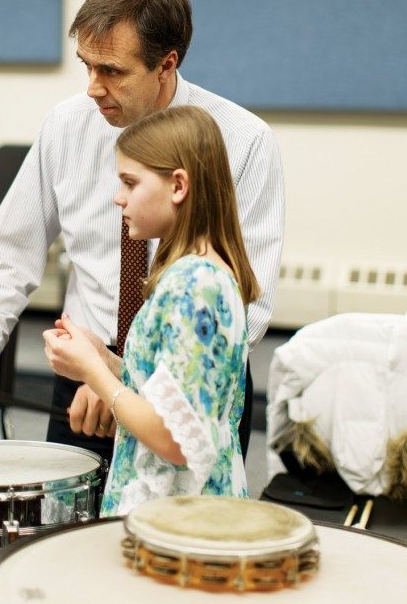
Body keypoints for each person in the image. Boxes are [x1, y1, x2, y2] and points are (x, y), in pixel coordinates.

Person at [0, 0, 284, 463]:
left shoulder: (241, 141)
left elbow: (247, 304)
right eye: (87, 66)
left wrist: (125, 374)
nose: (94, 88)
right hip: (84, 379)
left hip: (191, 383)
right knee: (78, 536)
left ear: (167, 64)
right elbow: (11, 250)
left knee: (183, 536)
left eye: (113, 71)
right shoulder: (67, 124)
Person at [44, 106, 257, 514]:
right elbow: (176, 390)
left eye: (130, 182)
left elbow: (176, 440)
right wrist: (105, 359)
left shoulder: (196, 286)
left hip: (179, 520)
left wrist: (93, 373)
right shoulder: (199, 274)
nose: (117, 197)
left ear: (178, 186)